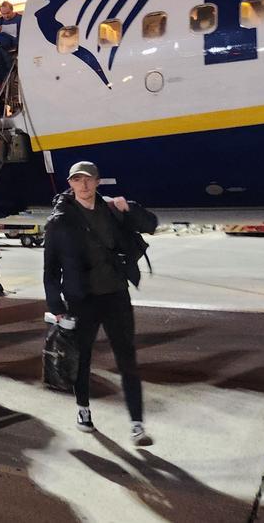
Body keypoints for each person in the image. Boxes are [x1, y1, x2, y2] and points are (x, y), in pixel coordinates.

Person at [43, 161, 158, 446]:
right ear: (70, 184)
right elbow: (50, 269)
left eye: (88, 180)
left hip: (116, 294)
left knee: (127, 359)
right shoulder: (59, 220)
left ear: (97, 182)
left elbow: (151, 225)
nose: (83, 185)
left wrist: (128, 208)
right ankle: (83, 408)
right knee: (82, 358)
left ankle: (137, 424)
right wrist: (56, 306)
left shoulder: (112, 211)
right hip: (82, 299)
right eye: (77, 180)